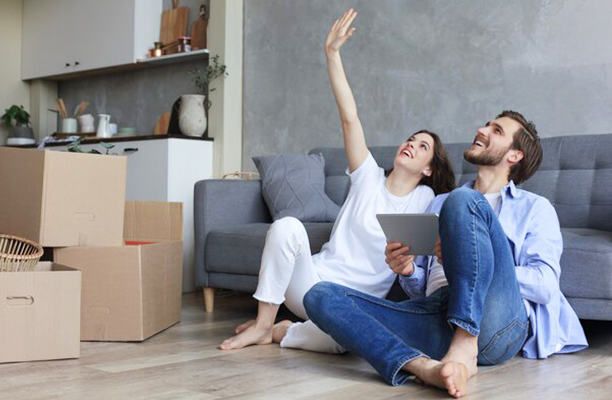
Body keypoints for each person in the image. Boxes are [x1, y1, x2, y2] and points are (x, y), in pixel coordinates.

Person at [304, 109, 589, 397]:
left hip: (495, 322)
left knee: (464, 199)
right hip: (437, 319)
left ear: (515, 155)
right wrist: (407, 270)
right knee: (319, 295)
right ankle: (422, 366)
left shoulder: (534, 208)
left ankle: (466, 341)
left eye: (497, 131)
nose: (482, 130)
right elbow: (423, 289)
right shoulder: (439, 202)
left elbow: (545, 285)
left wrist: (469, 261)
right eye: (486, 125)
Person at [219, 9, 456, 352]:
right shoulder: (368, 176)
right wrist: (332, 53)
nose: (410, 145)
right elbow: (350, 119)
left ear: (429, 169)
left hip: (353, 304)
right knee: (287, 227)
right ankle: (263, 324)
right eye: (410, 139)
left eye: (422, 147)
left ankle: (284, 332)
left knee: (349, 341)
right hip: (313, 285)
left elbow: (434, 251)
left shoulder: (427, 201)